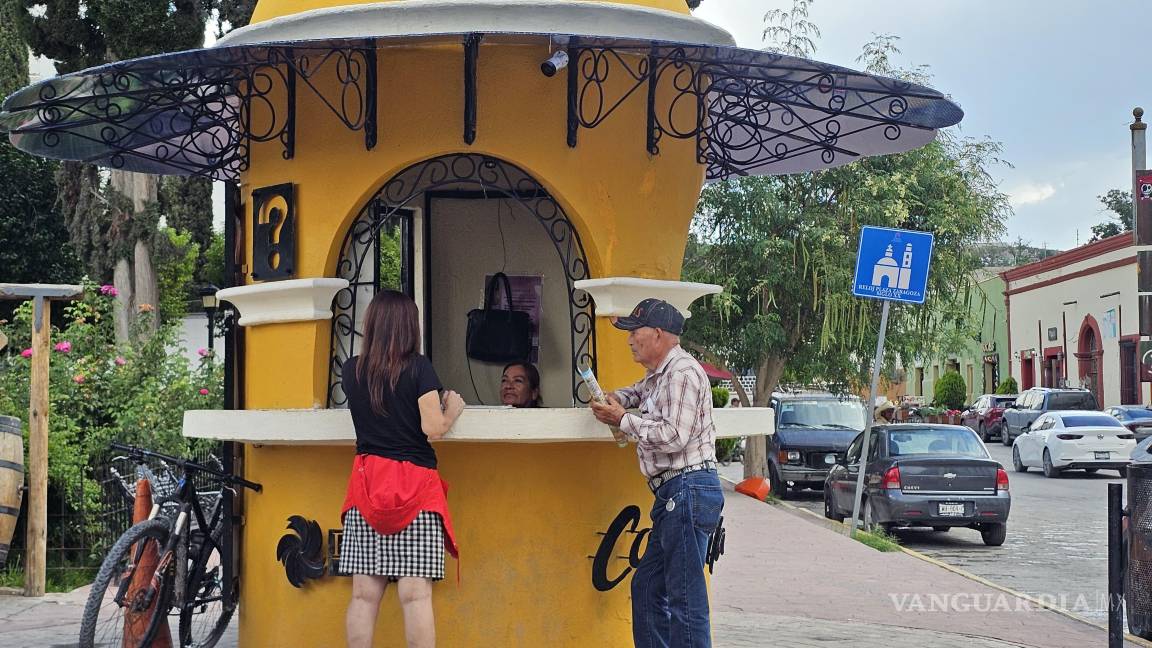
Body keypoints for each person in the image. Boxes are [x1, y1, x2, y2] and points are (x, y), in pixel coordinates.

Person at [589, 298, 723, 648]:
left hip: (687, 490)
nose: (630, 340)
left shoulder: (681, 373)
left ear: (659, 334)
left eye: (635, 332)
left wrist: (621, 419)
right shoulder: (659, 375)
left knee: (685, 600)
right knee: (647, 587)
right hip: (675, 495)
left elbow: (674, 436)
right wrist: (611, 398)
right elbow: (634, 393)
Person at [339, 290, 465, 648]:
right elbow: (433, 428)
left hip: (367, 485)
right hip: (415, 488)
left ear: (372, 325)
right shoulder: (419, 368)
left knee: (364, 594)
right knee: (414, 594)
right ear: (410, 326)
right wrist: (452, 407)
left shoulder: (352, 370)